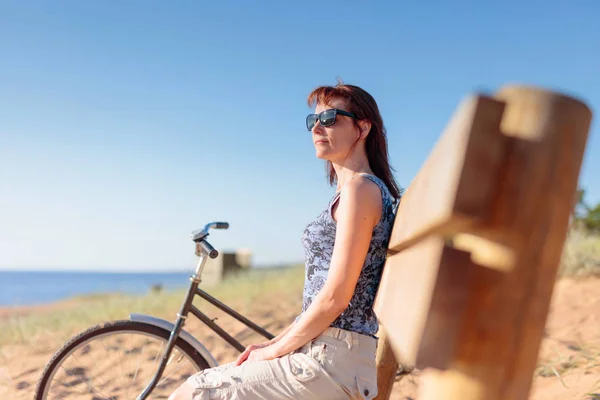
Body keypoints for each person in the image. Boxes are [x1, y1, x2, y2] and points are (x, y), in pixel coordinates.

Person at [169, 81, 401, 400]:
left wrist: (275, 350)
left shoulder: (361, 191)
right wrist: (273, 343)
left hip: (331, 365)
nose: (318, 126)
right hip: (324, 357)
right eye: (313, 120)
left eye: (330, 118)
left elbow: (335, 296)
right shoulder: (354, 192)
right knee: (203, 383)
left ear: (363, 128)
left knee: (196, 393)